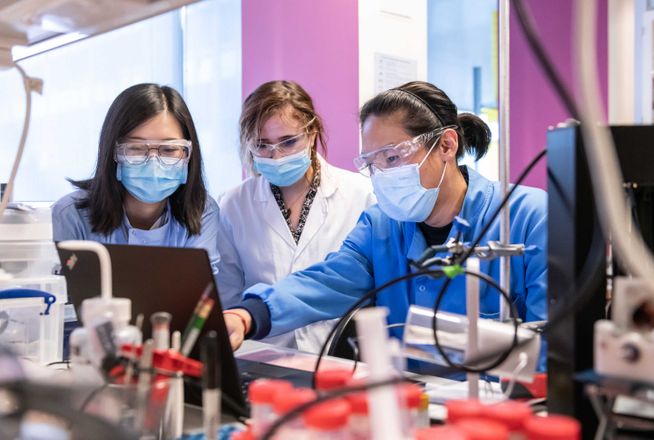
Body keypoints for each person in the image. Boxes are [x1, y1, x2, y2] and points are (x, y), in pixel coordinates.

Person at [223, 81, 547, 365]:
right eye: (372, 163)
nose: (383, 175)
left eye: (392, 158)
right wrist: (249, 314)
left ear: (446, 145)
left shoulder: (529, 218)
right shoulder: (381, 225)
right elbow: (326, 281)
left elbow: (552, 348)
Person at [217, 80, 375, 352]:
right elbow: (227, 295)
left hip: (338, 357)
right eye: (262, 145)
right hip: (261, 354)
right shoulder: (233, 204)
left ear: (312, 133)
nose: (276, 156)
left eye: (288, 142)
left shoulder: (361, 194)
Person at [52, 83, 220, 275]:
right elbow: (59, 297)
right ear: (113, 152)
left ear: (188, 154)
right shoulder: (70, 216)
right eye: (136, 148)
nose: (153, 163)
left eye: (169, 149)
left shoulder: (202, 211)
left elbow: (198, 293)